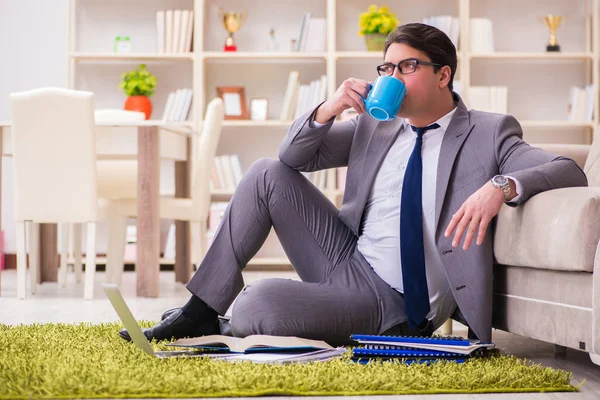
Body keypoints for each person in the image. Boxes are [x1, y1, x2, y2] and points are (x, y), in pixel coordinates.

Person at [119, 23, 587, 345]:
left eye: (406, 67)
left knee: (254, 306)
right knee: (265, 171)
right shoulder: (377, 125)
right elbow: (292, 158)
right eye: (387, 68)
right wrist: (328, 108)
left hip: (394, 300)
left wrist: (499, 187)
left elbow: (567, 168)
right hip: (346, 257)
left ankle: (237, 316)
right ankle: (203, 307)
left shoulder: (488, 131)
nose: (392, 77)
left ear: (443, 75)